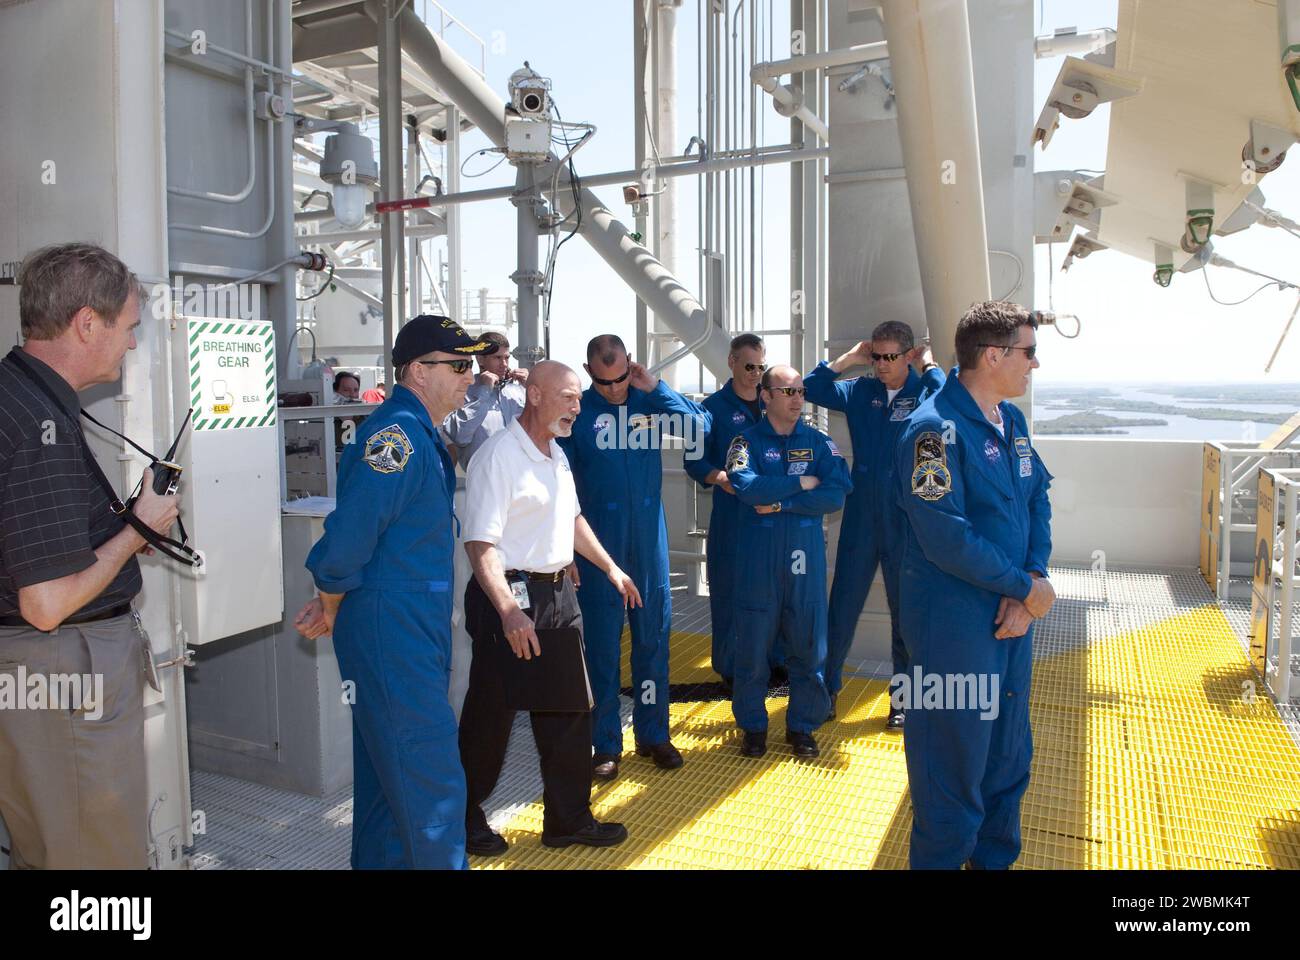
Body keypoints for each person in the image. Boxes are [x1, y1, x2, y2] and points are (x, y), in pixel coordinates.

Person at [0, 242, 180, 868]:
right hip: (63, 669)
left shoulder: (22, 397)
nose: (132, 343)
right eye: (128, 327)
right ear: (86, 323)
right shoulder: (35, 422)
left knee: (51, 849)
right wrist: (141, 529)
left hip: (44, 677)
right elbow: (46, 604)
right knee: (94, 863)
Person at [295, 314, 485, 870]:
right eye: (458, 365)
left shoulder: (418, 432)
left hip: (402, 625)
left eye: (471, 364)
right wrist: (332, 597)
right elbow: (351, 533)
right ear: (417, 372)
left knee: (386, 778)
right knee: (434, 788)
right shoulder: (397, 436)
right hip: (393, 631)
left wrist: (336, 597)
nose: (469, 376)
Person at [893, 300, 1055, 870]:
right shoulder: (932, 432)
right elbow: (946, 536)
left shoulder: (1010, 422)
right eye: (1029, 352)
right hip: (956, 631)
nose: (1035, 364)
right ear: (993, 355)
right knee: (951, 771)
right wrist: (1023, 588)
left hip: (1011, 619)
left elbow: (1037, 498)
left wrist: (1031, 583)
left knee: (1007, 759)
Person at [459, 360, 639, 854]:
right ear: (534, 395)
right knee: (491, 714)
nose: (576, 407)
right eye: (567, 396)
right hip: (510, 598)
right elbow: (480, 545)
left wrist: (610, 568)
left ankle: (567, 820)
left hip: (558, 594)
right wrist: (508, 611)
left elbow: (572, 518)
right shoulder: (499, 457)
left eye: (579, 398)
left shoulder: (555, 454)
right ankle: (464, 816)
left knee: (570, 710)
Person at [557, 335, 709, 781]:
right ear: (590, 374)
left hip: (647, 542)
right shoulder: (578, 413)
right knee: (602, 648)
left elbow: (700, 427)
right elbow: (558, 483)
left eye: (622, 376)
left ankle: (653, 733)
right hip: (598, 547)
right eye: (605, 382)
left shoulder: (648, 400)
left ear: (631, 366)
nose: (616, 387)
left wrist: (656, 387)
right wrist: (565, 548)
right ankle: (606, 743)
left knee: (652, 640)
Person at [803, 322, 945, 727]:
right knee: (842, 606)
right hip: (862, 513)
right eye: (877, 356)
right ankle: (825, 693)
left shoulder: (924, 392)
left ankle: (903, 703)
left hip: (906, 516)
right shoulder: (860, 389)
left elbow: (948, 400)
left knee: (907, 614)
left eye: (890, 357)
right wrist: (849, 359)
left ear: (909, 355)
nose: (882, 365)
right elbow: (813, 388)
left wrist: (931, 366)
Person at [725, 365, 851, 759]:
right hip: (758, 565)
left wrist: (782, 502)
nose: (798, 399)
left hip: (805, 563)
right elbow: (745, 486)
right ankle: (753, 728)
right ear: (766, 396)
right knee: (752, 650)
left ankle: (802, 727)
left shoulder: (819, 444)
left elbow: (836, 493)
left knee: (809, 646)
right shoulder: (744, 442)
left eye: (800, 391)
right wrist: (800, 482)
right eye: (788, 392)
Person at [684, 333, 782, 689]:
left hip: (772, 515)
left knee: (771, 590)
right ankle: (728, 666)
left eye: (760, 367)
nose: (755, 374)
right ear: (731, 362)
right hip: (732, 517)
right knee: (727, 590)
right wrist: (721, 477)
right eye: (749, 366)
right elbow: (694, 461)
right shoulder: (710, 409)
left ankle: (772, 660)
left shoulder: (772, 403)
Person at [441, 331, 528, 468]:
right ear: (480, 359)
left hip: (519, 475)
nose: (504, 364)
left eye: (506, 358)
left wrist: (532, 389)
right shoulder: (462, 391)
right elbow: (460, 436)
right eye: (497, 358)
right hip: (483, 478)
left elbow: (546, 429)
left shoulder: (519, 391)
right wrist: (485, 392)